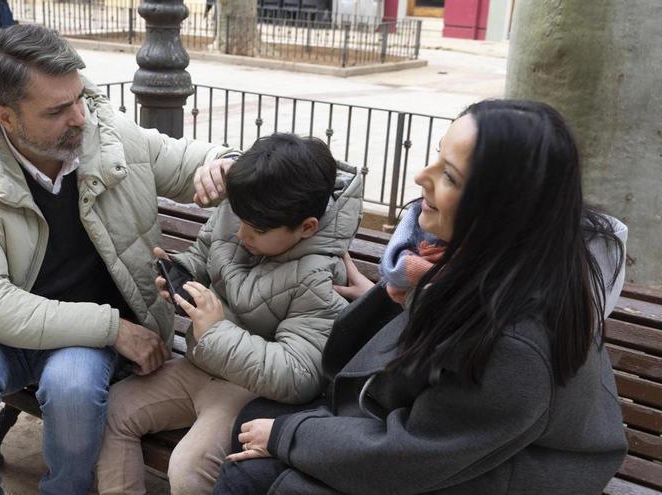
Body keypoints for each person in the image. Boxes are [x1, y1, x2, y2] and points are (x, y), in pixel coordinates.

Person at [215, 99, 629, 494]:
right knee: (255, 420)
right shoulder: (483, 264)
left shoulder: (517, 336)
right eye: (436, 156)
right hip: (442, 443)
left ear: (501, 206)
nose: (421, 177)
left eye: (449, 176)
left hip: (488, 476)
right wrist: (396, 300)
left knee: (251, 476)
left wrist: (288, 436)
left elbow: (413, 454)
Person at [0, 24, 236, 494]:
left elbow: (190, 159)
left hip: (84, 334)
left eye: (79, 98)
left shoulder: (108, 136)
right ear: (6, 117)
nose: (80, 118)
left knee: (74, 386)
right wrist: (113, 329)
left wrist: (225, 163)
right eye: (57, 110)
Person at [95, 133, 363, 495]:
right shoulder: (247, 206)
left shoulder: (319, 275)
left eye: (257, 230)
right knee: (111, 412)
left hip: (250, 393)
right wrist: (181, 274)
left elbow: (299, 374)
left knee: (189, 469)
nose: (241, 233)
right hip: (198, 365)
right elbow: (204, 256)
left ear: (307, 227)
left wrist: (216, 330)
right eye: (239, 219)